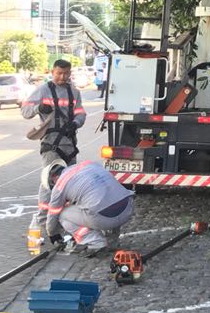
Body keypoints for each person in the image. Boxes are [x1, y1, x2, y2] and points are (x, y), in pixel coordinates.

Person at [23, 58, 87, 234]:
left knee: (69, 183)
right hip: (51, 144)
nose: (62, 77)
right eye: (59, 73)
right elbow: (25, 111)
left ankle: (65, 219)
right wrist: (39, 108)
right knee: (50, 182)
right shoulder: (43, 90)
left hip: (69, 143)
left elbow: (81, 113)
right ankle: (43, 220)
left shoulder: (74, 92)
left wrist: (75, 123)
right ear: (52, 72)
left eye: (66, 73)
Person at [43, 158, 134, 255]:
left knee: (62, 215)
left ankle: (95, 242)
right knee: (107, 199)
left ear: (53, 178)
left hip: (105, 217)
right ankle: (112, 241)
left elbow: (53, 213)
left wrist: (52, 234)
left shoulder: (60, 184)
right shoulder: (90, 163)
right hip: (127, 208)